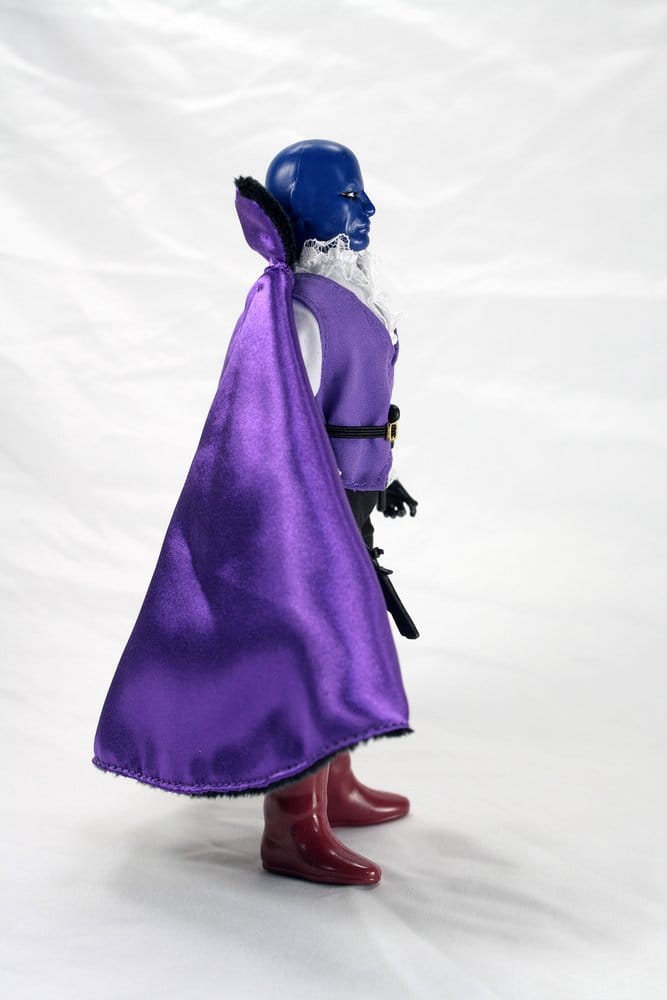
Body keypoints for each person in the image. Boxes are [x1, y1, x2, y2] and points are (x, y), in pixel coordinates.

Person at [93, 140, 418, 886]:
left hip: (352, 493)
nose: (367, 210)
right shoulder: (299, 310)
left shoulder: (351, 297)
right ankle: (292, 825)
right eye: (348, 197)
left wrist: (382, 476)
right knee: (304, 651)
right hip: (308, 505)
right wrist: (300, 510)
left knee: (348, 639)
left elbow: (358, 403)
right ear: (306, 212)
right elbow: (274, 417)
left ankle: (334, 781)